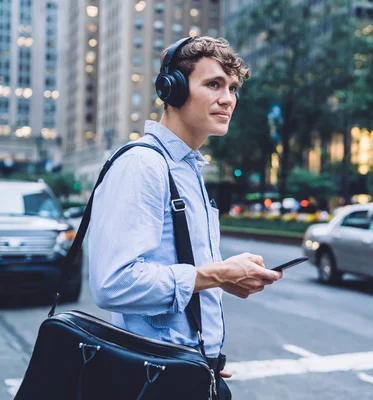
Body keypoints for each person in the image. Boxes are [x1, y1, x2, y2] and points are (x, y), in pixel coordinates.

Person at [88, 36, 282, 399]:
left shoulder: (188, 169)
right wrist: (217, 273)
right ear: (171, 89)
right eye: (213, 84)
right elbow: (113, 282)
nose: (228, 99)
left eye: (233, 88)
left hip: (186, 368)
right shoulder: (143, 165)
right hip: (151, 379)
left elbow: (173, 268)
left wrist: (200, 353)